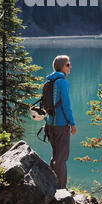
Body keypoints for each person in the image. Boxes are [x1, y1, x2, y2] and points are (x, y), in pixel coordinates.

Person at [44, 54, 76, 190]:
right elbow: (66, 106)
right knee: (62, 158)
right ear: (62, 67)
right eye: (68, 64)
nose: (70, 67)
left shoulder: (48, 82)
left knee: (55, 156)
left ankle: (51, 184)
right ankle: (61, 189)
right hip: (61, 126)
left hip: (49, 124)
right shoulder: (62, 82)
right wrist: (72, 123)